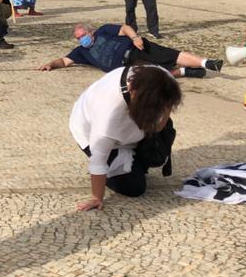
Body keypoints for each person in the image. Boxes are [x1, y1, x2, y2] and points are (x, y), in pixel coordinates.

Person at [71, 65, 182, 210]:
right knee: (134, 187)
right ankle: (120, 162)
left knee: (156, 156)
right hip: (95, 134)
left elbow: (160, 123)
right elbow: (98, 161)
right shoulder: (107, 117)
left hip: (138, 115)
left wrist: (158, 123)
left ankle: (135, 156)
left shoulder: (162, 77)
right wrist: (96, 197)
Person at [38, 23, 222, 78]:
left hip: (135, 48)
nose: (81, 39)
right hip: (124, 68)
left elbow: (125, 28)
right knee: (154, 77)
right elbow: (63, 61)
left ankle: (207, 63)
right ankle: (184, 71)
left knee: (169, 54)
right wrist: (50, 64)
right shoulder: (81, 52)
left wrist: (135, 37)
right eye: (78, 38)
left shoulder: (103, 31)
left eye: (83, 35)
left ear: (90, 32)